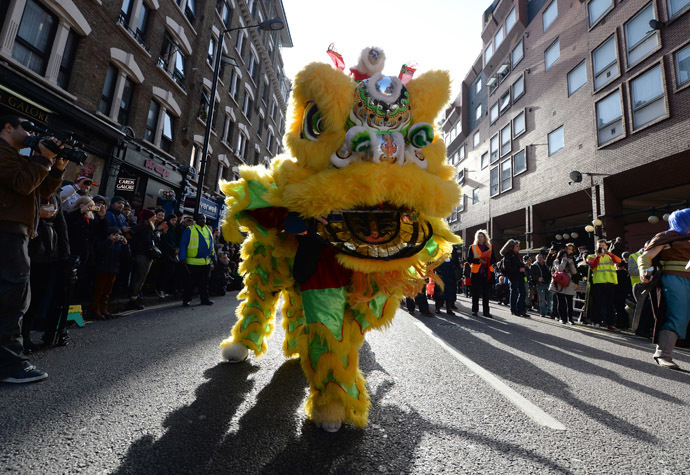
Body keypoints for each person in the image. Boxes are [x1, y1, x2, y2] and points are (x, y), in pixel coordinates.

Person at [0, 115, 66, 383]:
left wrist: (55, 165)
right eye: (27, 127)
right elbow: (22, 184)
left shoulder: (17, 155)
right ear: (7, 127)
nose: (32, 134)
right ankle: (10, 364)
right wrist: (41, 159)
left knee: (12, 297)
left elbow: (40, 190)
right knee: (13, 298)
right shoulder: (3, 153)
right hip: (7, 231)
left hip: (16, 232)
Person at [638, 209, 690, 370]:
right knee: (678, 315)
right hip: (674, 279)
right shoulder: (668, 237)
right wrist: (644, 271)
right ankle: (663, 354)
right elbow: (645, 257)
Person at [23, 192, 70, 352]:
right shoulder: (33, 185)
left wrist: (65, 252)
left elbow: (61, 224)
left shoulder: (55, 195)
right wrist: (37, 214)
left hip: (49, 253)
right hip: (26, 248)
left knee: (37, 297)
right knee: (20, 296)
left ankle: (25, 336)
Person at [91, 228, 129, 319]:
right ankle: (95, 310)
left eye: (118, 235)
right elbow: (99, 251)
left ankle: (104, 309)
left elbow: (126, 257)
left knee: (107, 292)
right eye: (114, 234)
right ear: (109, 235)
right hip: (103, 269)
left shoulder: (119, 245)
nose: (116, 237)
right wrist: (109, 241)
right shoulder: (103, 242)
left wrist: (125, 245)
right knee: (99, 291)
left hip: (113, 270)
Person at [180, 214, 215, 306]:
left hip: (205, 262)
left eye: (204, 218)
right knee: (190, 283)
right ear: (196, 220)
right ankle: (187, 300)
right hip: (192, 262)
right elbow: (183, 244)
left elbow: (211, 245)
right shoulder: (189, 229)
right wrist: (182, 257)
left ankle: (205, 299)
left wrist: (213, 256)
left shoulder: (208, 230)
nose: (203, 220)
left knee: (204, 284)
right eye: (200, 218)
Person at [587, 239, 622, 331]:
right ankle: (596, 322)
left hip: (609, 282)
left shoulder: (610, 256)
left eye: (603, 245)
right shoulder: (591, 256)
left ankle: (610, 324)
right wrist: (598, 256)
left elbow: (618, 261)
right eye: (600, 245)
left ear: (606, 246)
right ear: (596, 247)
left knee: (610, 304)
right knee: (597, 303)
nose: (601, 247)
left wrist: (609, 253)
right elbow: (593, 265)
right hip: (598, 283)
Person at [127, 209, 157, 310]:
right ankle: (133, 300)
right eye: (154, 216)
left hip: (137, 255)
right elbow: (148, 243)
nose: (155, 217)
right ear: (149, 217)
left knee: (135, 277)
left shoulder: (138, 227)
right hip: (144, 256)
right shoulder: (147, 228)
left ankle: (133, 298)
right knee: (140, 279)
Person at [467, 230, 495, 318]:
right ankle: (474, 310)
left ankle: (486, 312)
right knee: (475, 293)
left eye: (482, 236)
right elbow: (469, 259)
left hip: (487, 273)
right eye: (478, 236)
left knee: (486, 294)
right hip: (476, 272)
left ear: (485, 237)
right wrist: (479, 261)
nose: (480, 238)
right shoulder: (472, 247)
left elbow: (494, 259)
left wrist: (487, 262)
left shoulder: (490, 247)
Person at [549, 249, 578, 324]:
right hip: (560, 283)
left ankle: (570, 319)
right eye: (563, 256)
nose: (565, 257)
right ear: (560, 256)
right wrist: (564, 261)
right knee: (561, 302)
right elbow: (559, 269)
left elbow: (574, 272)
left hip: (569, 283)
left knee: (570, 303)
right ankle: (562, 318)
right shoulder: (556, 261)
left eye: (566, 256)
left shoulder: (570, 261)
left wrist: (571, 263)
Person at [501, 239, 528, 317]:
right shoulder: (509, 255)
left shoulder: (517, 255)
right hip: (514, 277)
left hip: (520, 276)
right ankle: (513, 309)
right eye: (517, 246)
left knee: (523, 292)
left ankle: (521, 309)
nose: (518, 247)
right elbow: (507, 268)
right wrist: (519, 269)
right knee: (515, 292)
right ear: (512, 247)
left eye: (519, 246)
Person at [155, 213, 179, 298]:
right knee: (167, 271)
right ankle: (160, 289)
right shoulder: (165, 227)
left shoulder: (173, 229)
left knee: (171, 271)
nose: (174, 222)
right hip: (165, 253)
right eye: (172, 220)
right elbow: (164, 241)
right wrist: (173, 248)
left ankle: (164, 289)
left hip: (171, 253)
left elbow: (174, 240)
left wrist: (176, 248)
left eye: (175, 220)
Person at [531, 252, 553, 317]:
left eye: (541, 257)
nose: (540, 259)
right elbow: (531, 275)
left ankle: (550, 311)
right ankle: (543, 312)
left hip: (548, 283)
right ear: (536, 259)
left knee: (550, 298)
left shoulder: (546, 264)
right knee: (542, 299)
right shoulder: (534, 265)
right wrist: (538, 278)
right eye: (538, 258)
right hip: (540, 284)